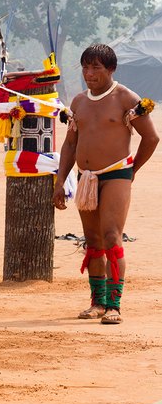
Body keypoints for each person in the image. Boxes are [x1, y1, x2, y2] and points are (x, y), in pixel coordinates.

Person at [53, 44, 159, 324]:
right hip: (85, 177)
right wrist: (60, 180)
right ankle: (97, 302)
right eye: (86, 67)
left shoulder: (126, 98)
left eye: (96, 67)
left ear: (111, 69)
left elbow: (151, 138)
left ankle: (114, 305)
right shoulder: (77, 102)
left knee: (112, 236)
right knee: (93, 241)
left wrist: (132, 170)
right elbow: (70, 143)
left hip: (116, 174)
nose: (89, 74)